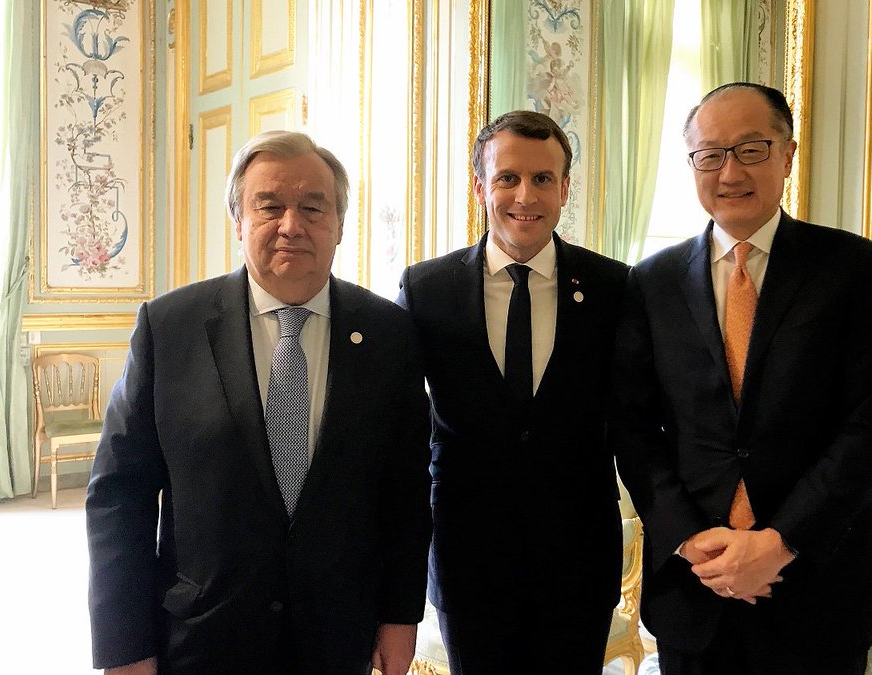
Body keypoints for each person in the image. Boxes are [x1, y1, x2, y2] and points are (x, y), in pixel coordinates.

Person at [86, 131, 431, 675]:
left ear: (340, 224)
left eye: (313, 207)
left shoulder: (388, 333)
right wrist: (125, 646)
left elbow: (406, 493)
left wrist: (400, 615)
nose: (292, 225)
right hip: (202, 637)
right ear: (239, 221)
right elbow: (119, 495)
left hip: (338, 635)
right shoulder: (170, 327)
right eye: (269, 206)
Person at [611, 82, 872, 674]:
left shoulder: (852, 268)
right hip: (695, 588)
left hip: (819, 586)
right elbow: (634, 428)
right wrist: (691, 541)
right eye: (710, 155)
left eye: (751, 149)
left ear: (787, 155)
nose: (729, 172)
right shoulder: (651, 281)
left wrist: (780, 542)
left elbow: (869, 427)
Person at [396, 110, 628, 674]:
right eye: (508, 178)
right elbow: (398, 429)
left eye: (543, 178)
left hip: (579, 564)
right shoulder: (427, 289)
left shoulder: (613, 288)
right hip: (468, 563)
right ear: (481, 187)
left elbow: (635, 417)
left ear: (565, 188)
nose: (526, 195)